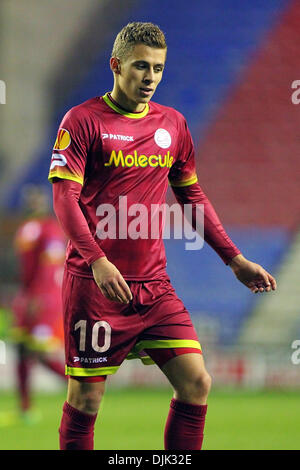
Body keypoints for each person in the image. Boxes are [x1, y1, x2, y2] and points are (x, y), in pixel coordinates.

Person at [48, 22, 277, 450]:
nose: (150, 77)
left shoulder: (173, 125)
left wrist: (234, 259)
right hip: (95, 287)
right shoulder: (81, 122)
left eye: (158, 68)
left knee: (196, 382)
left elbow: (191, 195)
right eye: (140, 66)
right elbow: (65, 198)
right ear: (116, 66)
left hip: (154, 286)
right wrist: (97, 260)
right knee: (86, 399)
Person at [11, 185, 66, 421]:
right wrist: (24, 295)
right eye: (30, 200)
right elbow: (24, 267)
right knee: (21, 351)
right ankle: (25, 409)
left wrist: (38, 296)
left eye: (37, 200)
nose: (33, 204)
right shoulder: (25, 230)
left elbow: (49, 266)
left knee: (40, 353)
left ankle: (83, 387)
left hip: (44, 299)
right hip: (27, 298)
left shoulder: (51, 230)